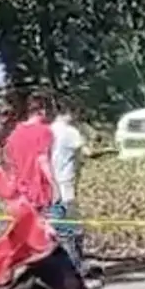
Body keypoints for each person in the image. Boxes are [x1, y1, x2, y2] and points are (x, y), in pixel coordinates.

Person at [49, 98, 91, 275]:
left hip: (51, 184)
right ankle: (76, 265)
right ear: (71, 113)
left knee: (58, 224)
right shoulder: (70, 132)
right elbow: (89, 152)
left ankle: (63, 265)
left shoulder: (48, 130)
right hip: (67, 183)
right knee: (74, 227)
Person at [3, 94, 58, 221]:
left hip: (19, 193)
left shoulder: (14, 134)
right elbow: (42, 160)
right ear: (42, 111)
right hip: (38, 193)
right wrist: (55, 185)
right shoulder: (44, 131)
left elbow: (9, 162)